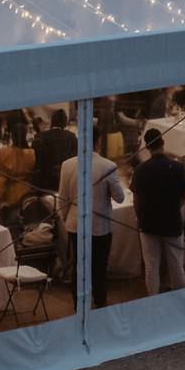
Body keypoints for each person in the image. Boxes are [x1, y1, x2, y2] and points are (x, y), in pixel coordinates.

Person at [57, 127, 124, 308]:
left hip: (75, 225)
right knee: (99, 267)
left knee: (79, 266)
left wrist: (65, 218)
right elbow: (120, 198)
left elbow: (62, 199)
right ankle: (100, 302)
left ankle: (78, 305)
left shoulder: (67, 165)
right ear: (99, 141)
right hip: (99, 226)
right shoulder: (108, 166)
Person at [131, 128, 185, 295]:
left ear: (147, 147)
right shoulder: (177, 167)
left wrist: (139, 219)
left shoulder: (141, 170)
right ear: (162, 143)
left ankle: (153, 300)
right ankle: (180, 299)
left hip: (148, 223)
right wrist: (174, 207)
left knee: (151, 266)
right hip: (172, 222)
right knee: (176, 265)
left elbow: (136, 200)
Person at [0, 123, 35, 227]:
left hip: (5, 192)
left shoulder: (1, 152)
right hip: (26, 192)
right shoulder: (32, 154)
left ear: (11, 136)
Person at [32, 109, 77, 192]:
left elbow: (35, 160)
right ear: (65, 122)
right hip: (65, 178)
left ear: (52, 121)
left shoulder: (40, 137)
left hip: (44, 180)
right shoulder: (72, 138)